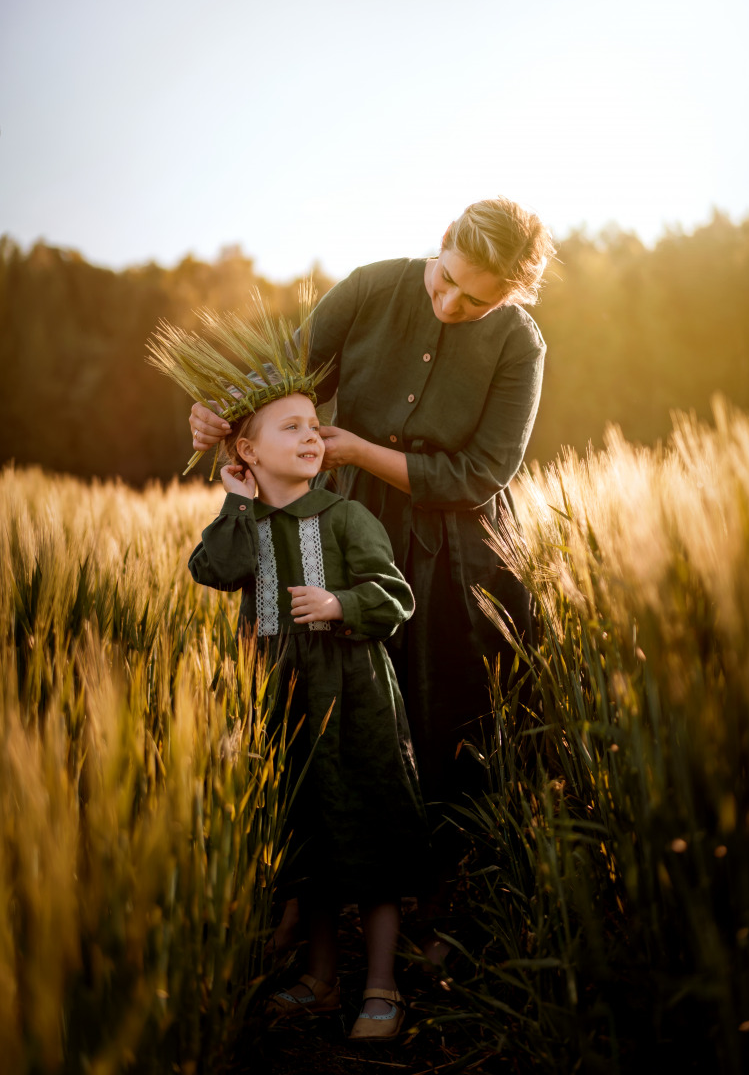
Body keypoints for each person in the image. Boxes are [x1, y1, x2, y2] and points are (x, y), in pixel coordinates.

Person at [189, 197, 555, 952]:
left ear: (512, 296)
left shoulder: (519, 342)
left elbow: (479, 472)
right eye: (447, 279)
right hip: (344, 525)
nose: (451, 304)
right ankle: (304, 890)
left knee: (443, 713)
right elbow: (280, 378)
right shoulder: (369, 285)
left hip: (453, 542)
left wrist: (359, 451)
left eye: (477, 300)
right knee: (313, 696)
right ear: (444, 240)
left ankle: (434, 902)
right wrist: (215, 411)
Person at [149, 300, 428, 1041]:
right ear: (246, 448)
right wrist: (235, 502)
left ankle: (380, 985)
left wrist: (341, 602)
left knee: (367, 837)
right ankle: (319, 978)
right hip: (280, 702)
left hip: (355, 700)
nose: (312, 435)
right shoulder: (243, 524)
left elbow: (394, 596)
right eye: (291, 427)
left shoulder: (344, 518)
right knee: (307, 844)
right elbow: (213, 569)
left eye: (315, 424)